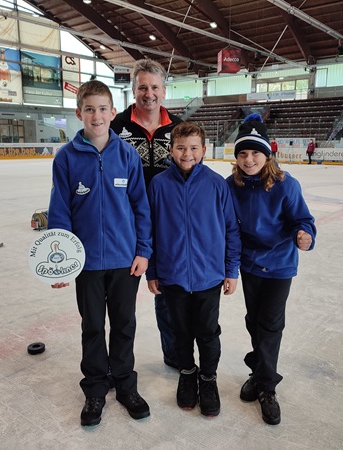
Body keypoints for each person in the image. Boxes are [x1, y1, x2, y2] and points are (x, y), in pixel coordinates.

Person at [47, 80, 152, 427]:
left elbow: (141, 207)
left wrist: (143, 251)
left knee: (124, 325)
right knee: (92, 326)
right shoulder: (66, 158)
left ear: (113, 112)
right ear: (79, 113)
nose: (97, 116)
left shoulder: (127, 155)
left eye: (103, 109)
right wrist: (61, 264)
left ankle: (125, 385)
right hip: (87, 262)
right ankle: (94, 388)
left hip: (125, 260)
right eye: (90, 109)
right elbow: (60, 212)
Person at [226, 115, 316, 426]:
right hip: (251, 264)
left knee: (271, 324)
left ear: (267, 155)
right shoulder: (232, 186)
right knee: (254, 321)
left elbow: (303, 220)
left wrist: (305, 235)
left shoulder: (286, 185)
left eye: (255, 153)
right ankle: (259, 370)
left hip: (279, 265)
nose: (249, 159)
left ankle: (266, 386)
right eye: (242, 153)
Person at [146, 122, 241, 418]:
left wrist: (231, 270)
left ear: (204, 150)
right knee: (181, 332)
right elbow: (149, 230)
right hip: (172, 275)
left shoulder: (217, 185)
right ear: (171, 149)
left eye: (194, 148)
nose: (187, 154)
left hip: (208, 276)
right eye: (181, 147)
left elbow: (231, 230)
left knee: (208, 332)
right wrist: (152, 271)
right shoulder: (159, 184)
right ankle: (187, 373)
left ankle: (208, 378)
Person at [111, 58, 183, 370]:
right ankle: (117, 365)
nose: (149, 94)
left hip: (168, 226)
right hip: (124, 226)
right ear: (133, 90)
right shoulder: (116, 126)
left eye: (154, 87)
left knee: (167, 295)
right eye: (143, 87)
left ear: (164, 91)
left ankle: (175, 355)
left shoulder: (179, 127)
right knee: (119, 301)